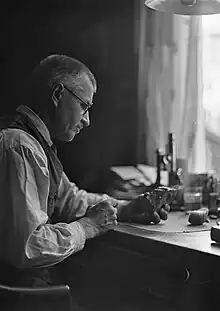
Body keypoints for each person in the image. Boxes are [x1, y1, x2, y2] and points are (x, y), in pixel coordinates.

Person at [0, 54, 170, 288]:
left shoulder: (35, 143)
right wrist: (87, 227)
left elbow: (70, 200)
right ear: (58, 94)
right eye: (84, 105)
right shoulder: (20, 146)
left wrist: (124, 208)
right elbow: (28, 247)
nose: (87, 120)